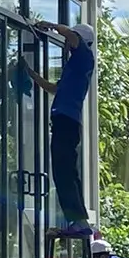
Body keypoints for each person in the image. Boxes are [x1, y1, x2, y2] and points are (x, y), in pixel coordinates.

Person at [46, 24, 96, 226]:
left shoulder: (83, 55)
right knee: (66, 171)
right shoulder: (75, 65)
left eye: (69, 41)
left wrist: (49, 26)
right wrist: (31, 73)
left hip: (66, 121)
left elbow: (70, 34)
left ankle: (77, 221)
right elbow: (53, 88)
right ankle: (79, 220)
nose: (66, 44)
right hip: (66, 121)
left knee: (63, 172)